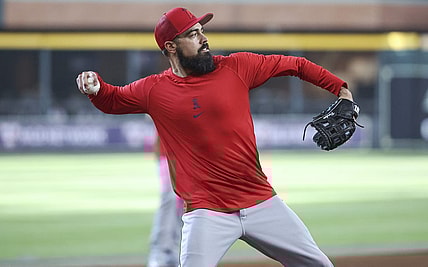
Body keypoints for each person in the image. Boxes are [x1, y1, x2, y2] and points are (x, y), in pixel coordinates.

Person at [76, 7, 355, 267]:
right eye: (193, 34)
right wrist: (95, 87)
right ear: (171, 47)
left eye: (202, 31)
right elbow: (112, 99)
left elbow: (295, 64)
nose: (203, 38)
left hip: (261, 203)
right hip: (206, 213)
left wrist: (341, 89)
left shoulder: (237, 67)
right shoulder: (154, 90)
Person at [147, 135, 183, 267]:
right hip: (169, 156)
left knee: (185, 207)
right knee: (170, 202)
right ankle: (160, 254)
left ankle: (174, 254)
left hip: (191, 156)